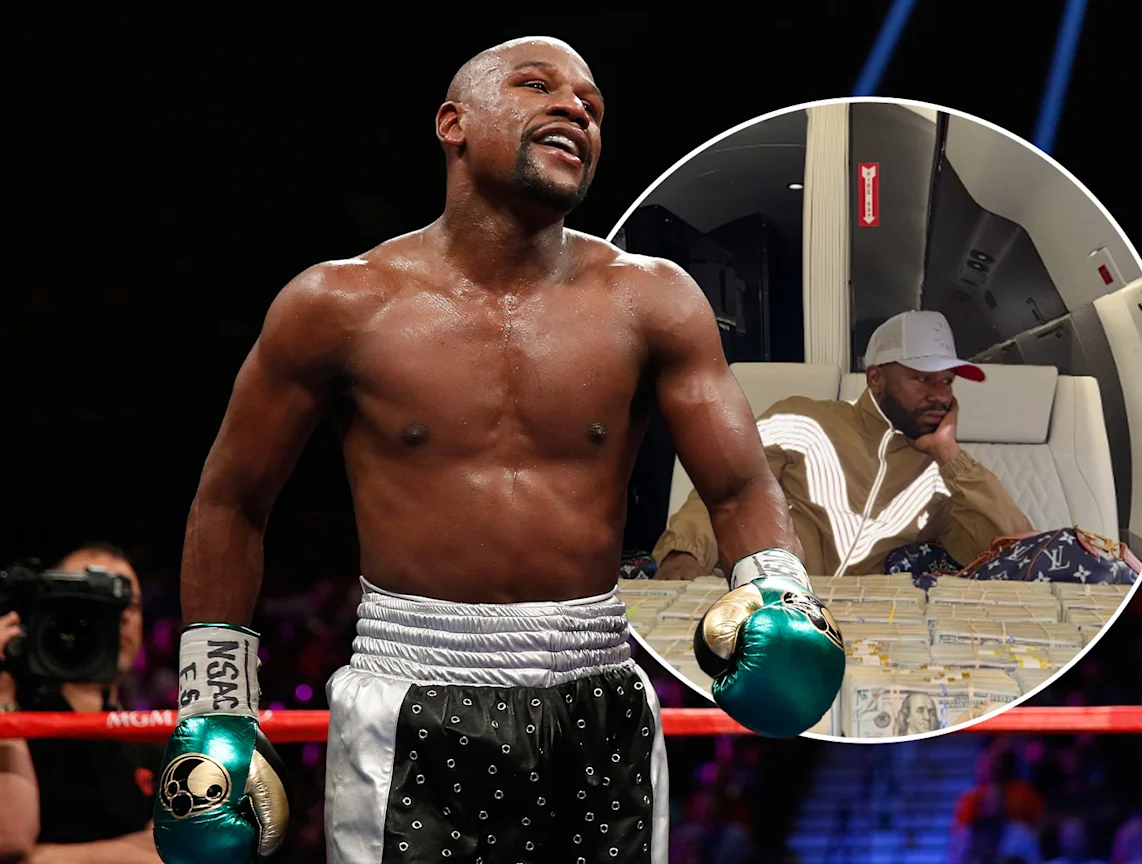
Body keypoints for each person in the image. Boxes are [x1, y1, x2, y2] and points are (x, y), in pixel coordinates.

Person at [150, 36, 844, 864]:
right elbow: (231, 502)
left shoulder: (651, 299)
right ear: (453, 123)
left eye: (591, 105)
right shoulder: (338, 303)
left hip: (599, 698)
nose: (575, 110)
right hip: (413, 693)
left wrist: (779, 592)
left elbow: (738, 488)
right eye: (536, 85)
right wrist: (214, 707)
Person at [651, 309, 1033, 582]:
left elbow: (1010, 552)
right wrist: (686, 552)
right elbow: (728, 487)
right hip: (767, 596)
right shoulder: (802, 419)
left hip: (865, 618)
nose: (939, 395)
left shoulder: (942, 475)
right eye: (922, 379)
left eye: (947, 382)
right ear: (876, 378)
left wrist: (949, 454)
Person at [0, 542, 163, 864]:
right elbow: (5, 841)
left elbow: (165, 854)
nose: (116, 617)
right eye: (91, 600)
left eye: (128, 604)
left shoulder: (149, 739)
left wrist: (39, 859)